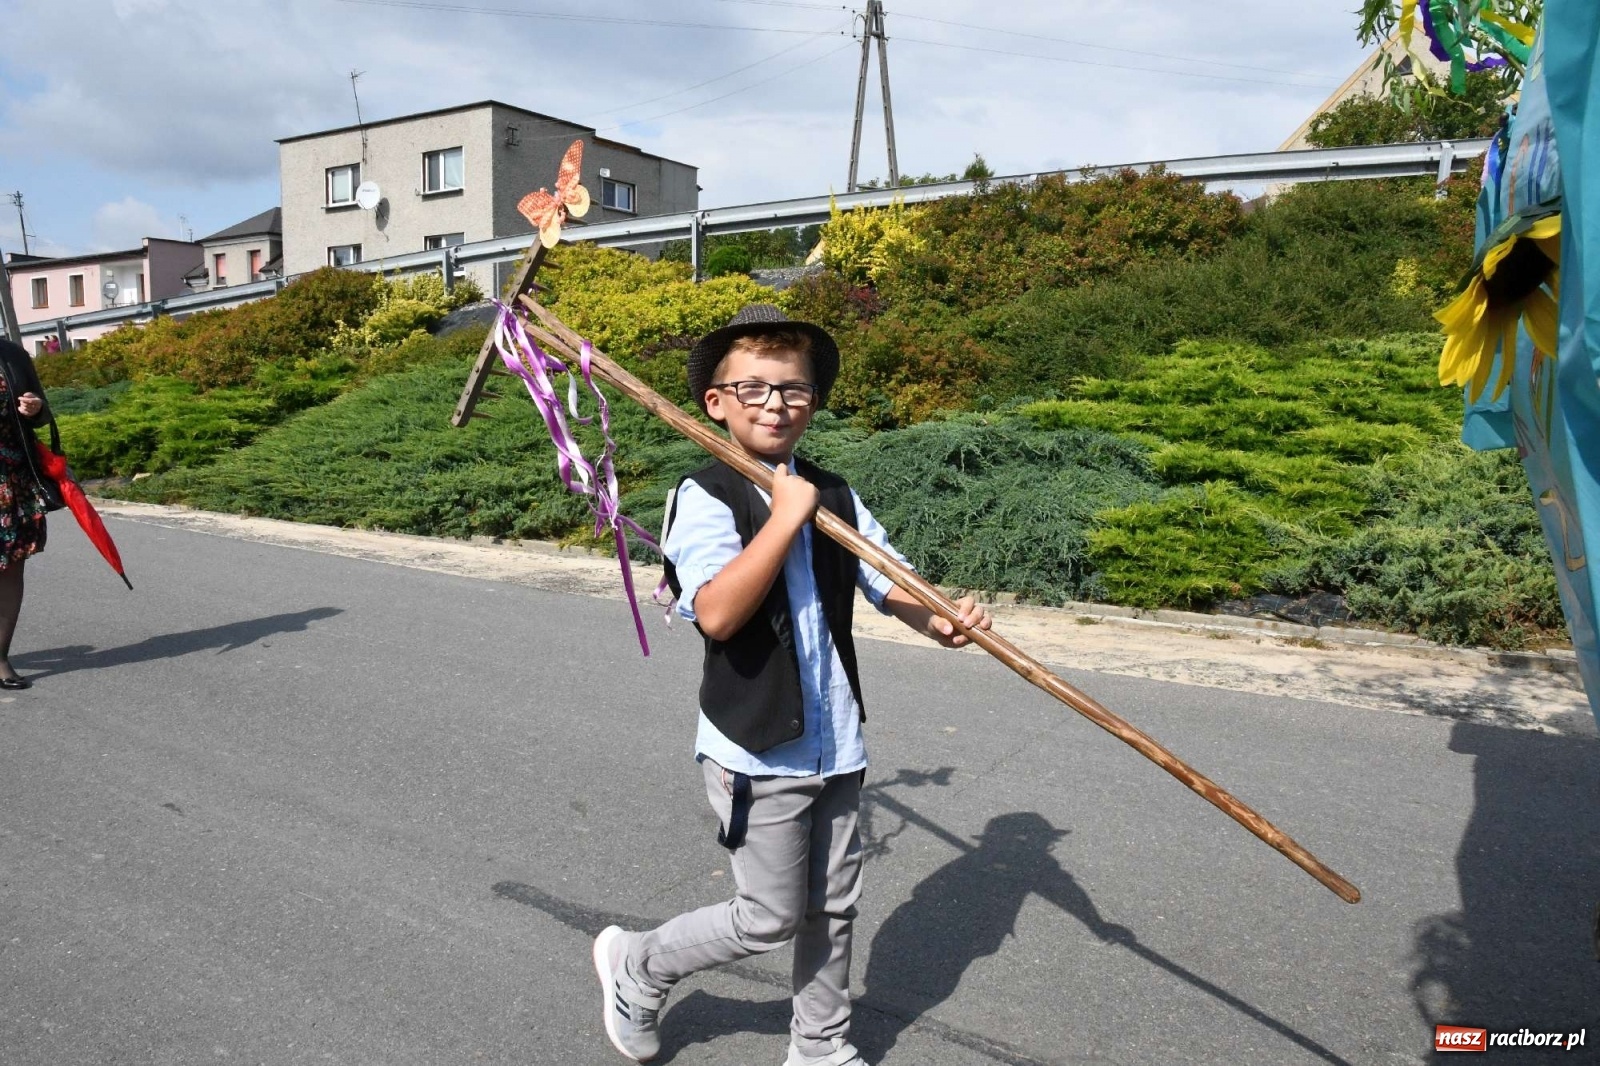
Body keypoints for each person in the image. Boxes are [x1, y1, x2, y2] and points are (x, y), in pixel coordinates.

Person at [592, 304, 992, 1066]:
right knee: (767, 917)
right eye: (755, 388)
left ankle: (821, 1047)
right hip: (756, 747)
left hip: (836, 741)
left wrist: (936, 617)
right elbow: (715, 613)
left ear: (814, 401)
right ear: (717, 402)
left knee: (832, 909)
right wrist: (781, 521)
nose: (776, 404)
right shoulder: (705, 495)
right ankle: (639, 964)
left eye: (795, 390)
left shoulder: (834, 494)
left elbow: (886, 578)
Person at [0, 338, 55, 690]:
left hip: (11, 477)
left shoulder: (12, 354)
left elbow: (43, 412)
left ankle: (0, 657)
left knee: (11, 565)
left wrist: (35, 409)